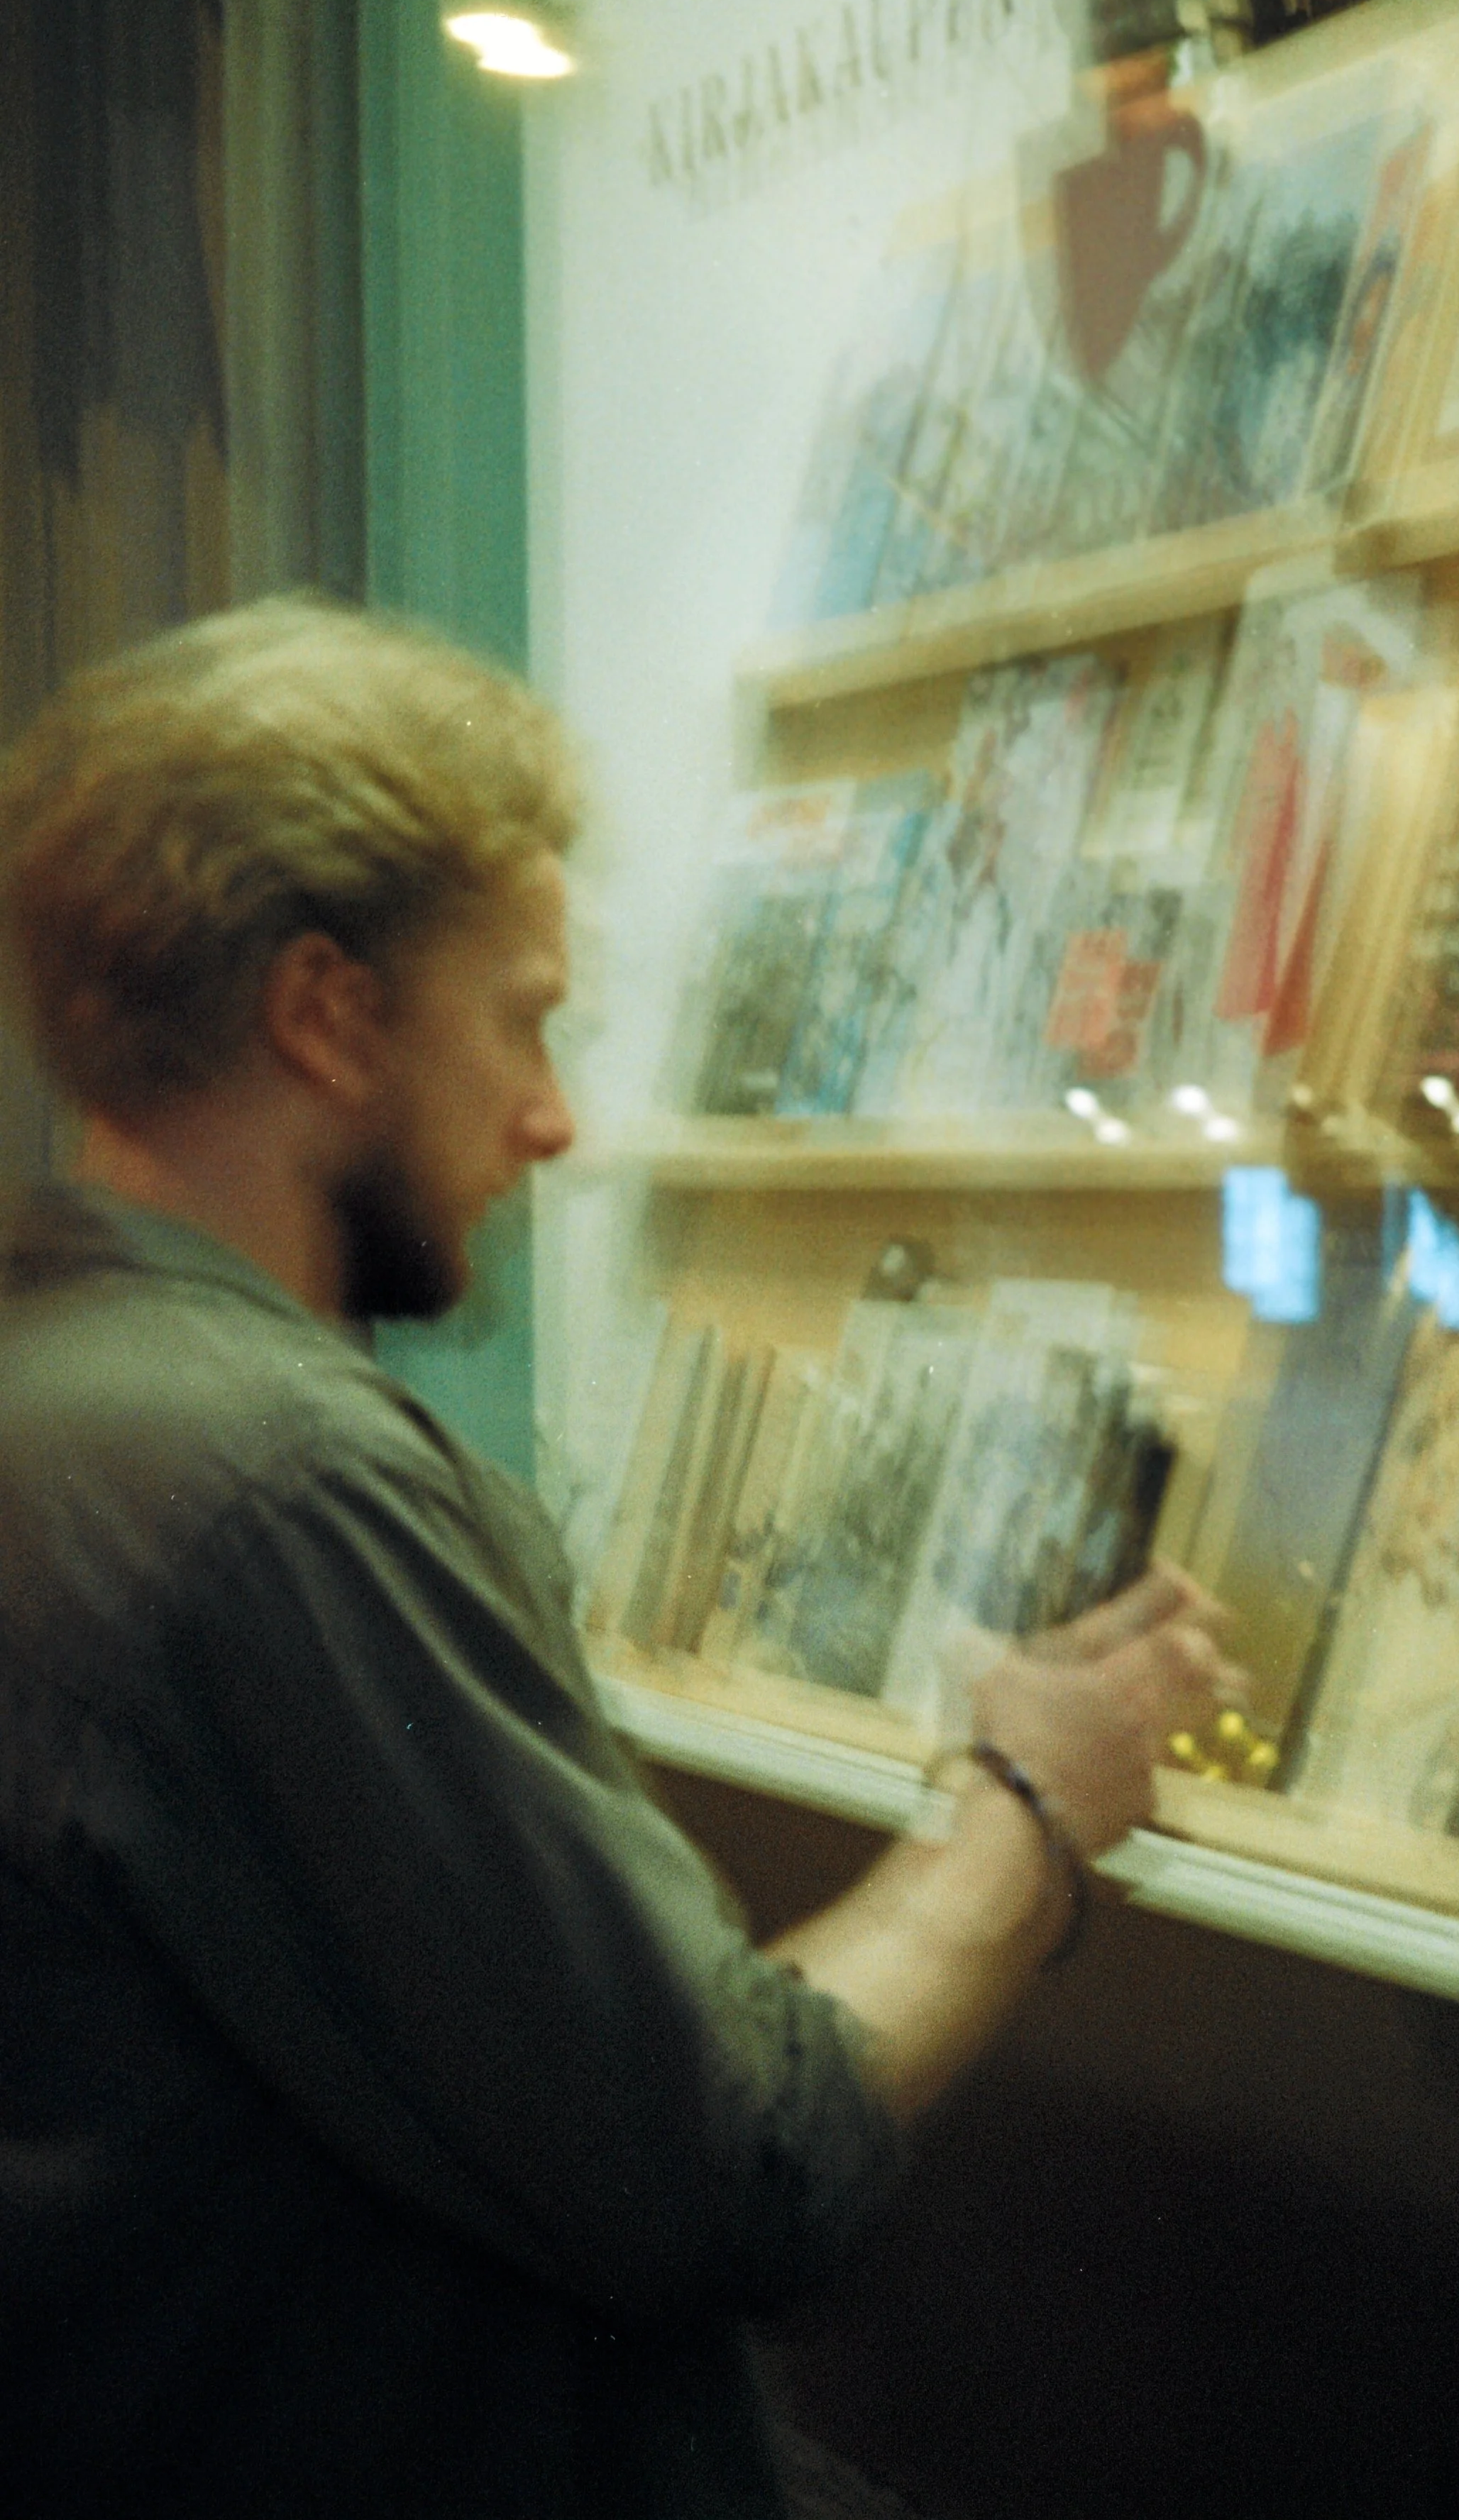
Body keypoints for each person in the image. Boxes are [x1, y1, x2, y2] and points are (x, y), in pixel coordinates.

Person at [0, 598, 1238, 2519]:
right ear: (327, 1014)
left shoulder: (60, 1401)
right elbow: (733, 2165)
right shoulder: (275, 1486)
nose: (554, 1120)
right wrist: (1024, 1809)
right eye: (523, 1019)